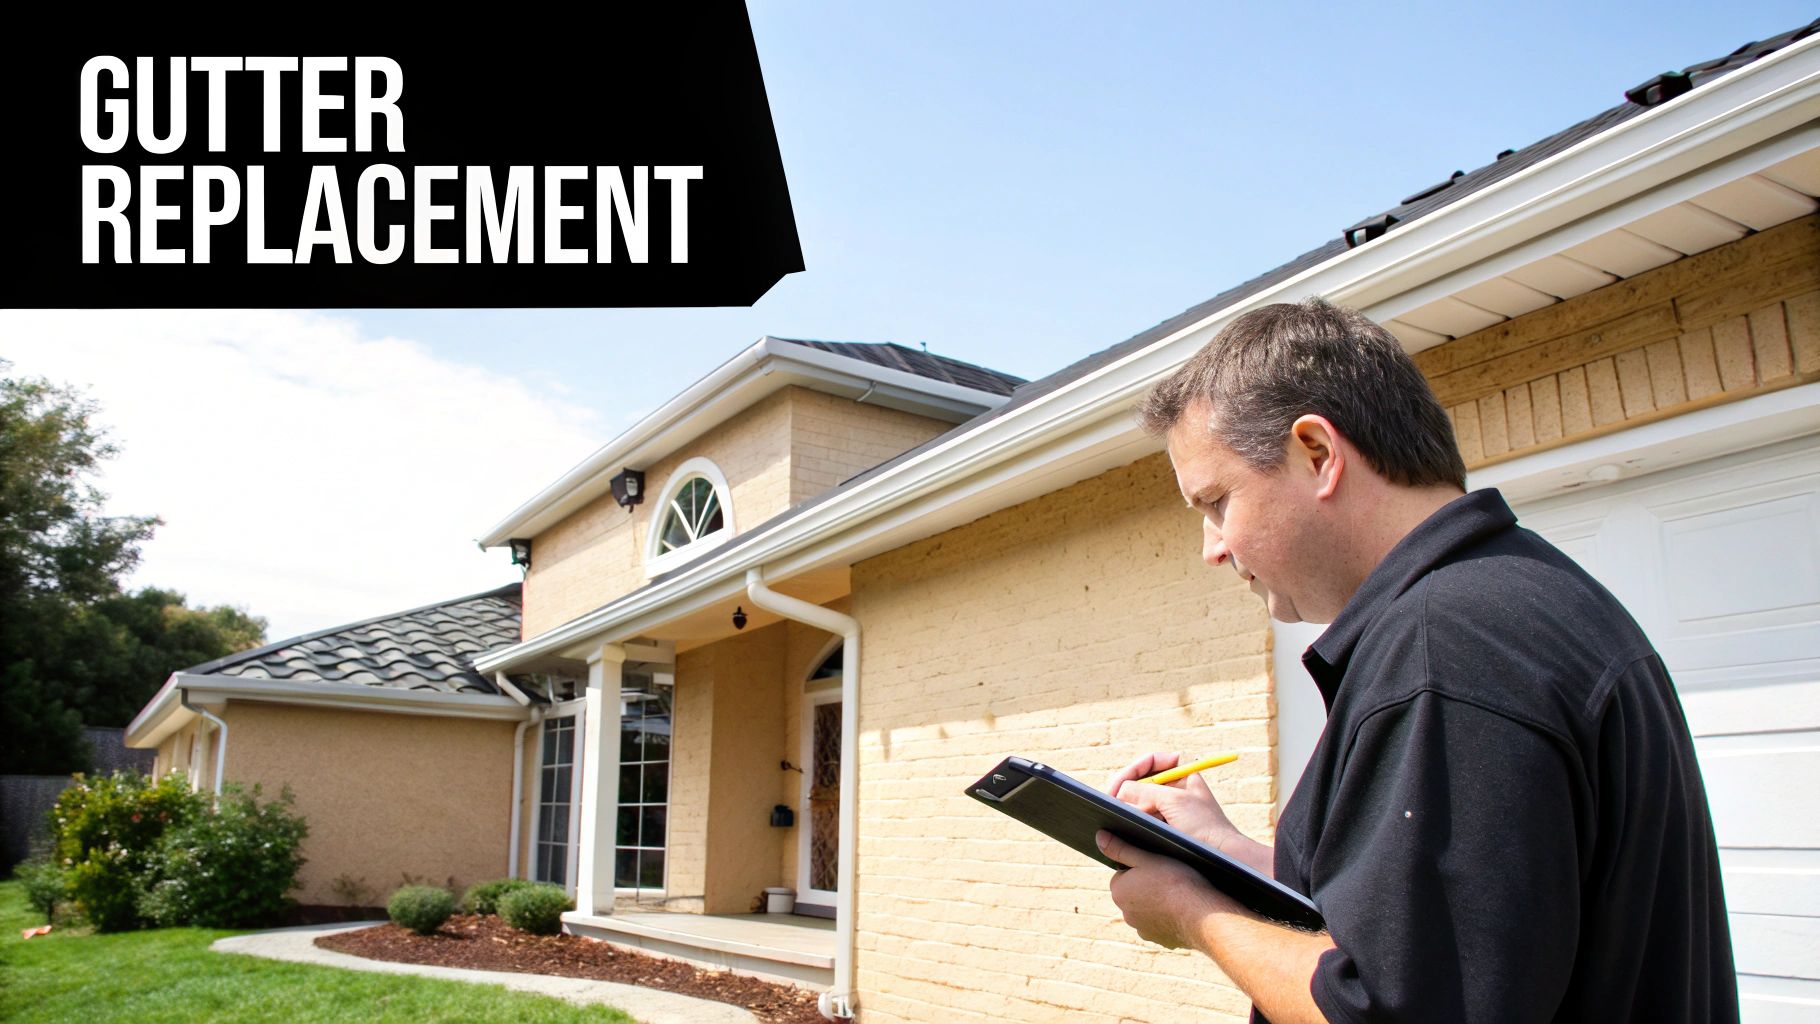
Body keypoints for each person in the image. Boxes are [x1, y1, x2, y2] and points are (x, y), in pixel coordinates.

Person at [1096, 298, 1738, 1023]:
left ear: (1318, 454)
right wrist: (1227, 855)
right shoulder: (1522, 598)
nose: (1213, 547)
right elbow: (1436, 931)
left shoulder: (1449, 650)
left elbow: (1391, 1007)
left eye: (1217, 502)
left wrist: (1191, 913)